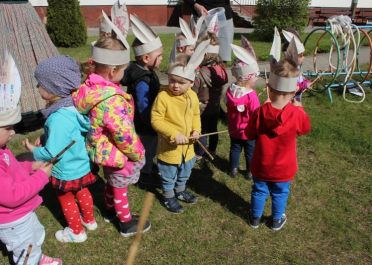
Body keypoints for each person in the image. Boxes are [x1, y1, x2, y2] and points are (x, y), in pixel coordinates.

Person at [72, 12, 150, 237]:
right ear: (113, 71)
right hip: (115, 152)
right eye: (123, 69)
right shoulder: (111, 100)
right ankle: (125, 222)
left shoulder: (89, 87)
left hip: (100, 147)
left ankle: (108, 209)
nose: (125, 73)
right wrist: (137, 152)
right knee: (119, 184)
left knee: (111, 181)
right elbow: (123, 133)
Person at [23, 55, 97, 243]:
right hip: (80, 164)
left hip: (65, 170)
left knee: (65, 198)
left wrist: (33, 150)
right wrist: (45, 137)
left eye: (40, 84)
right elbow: (68, 136)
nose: (37, 87)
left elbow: (51, 154)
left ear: (53, 87)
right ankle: (89, 220)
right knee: (82, 191)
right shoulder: (72, 107)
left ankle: (76, 232)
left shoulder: (57, 118)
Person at [0, 50, 61, 264]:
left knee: (35, 235)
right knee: (24, 248)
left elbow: (12, 170)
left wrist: (30, 166)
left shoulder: (2, 149)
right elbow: (12, 195)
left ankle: (37, 257)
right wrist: (41, 177)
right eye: (7, 128)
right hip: (13, 220)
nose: (13, 132)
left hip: (21, 215)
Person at [246, 34, 311, 231]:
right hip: (284, 167)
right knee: (280, 193)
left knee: (259, 190)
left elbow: (249, 133)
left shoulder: (260, 111)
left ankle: (255, 218)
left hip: (262, 164)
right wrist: (300, 108)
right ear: (293, 93)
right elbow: (305, 129)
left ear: (269, 89)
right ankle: (275, 220)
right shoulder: (296, 113)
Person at [151, 40, 209, 213]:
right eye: (172, 80)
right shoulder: (163, 97)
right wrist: (173, 133)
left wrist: (196, 130)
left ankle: (181, 190)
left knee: (185, 171)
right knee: (168, 174)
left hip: (189, 148)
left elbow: (196, 115)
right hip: (170, 147)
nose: (175, 85)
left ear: (191, 83)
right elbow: (156, 119)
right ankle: (169, 196)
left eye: (181, 82)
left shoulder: (192, 96)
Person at [121, 14, 163, 185]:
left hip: (144, 121)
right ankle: (144, 174)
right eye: (159, 56)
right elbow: (143, 104)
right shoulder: (142, 80)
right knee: (147, 147)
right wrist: (151, 122)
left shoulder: (142, 70)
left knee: (147, 147)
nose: (162, 59)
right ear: (146, 58)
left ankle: (145, 168)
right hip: (145, 123)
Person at [226, 36, 260, 179]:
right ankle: (250, 171)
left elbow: (228, 105)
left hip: (234, 129)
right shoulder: (251, 96)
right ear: (248, 78)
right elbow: (257, 114)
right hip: (249, 132)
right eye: (255, 77)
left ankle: (233, 168)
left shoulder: (230, 90)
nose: (257, 79)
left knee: (235, 148)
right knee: (250, 151)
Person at [193, 32, 228, 160]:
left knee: (202, 131)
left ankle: (199, 153)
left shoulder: (199, 73)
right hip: (215, 106)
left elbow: (194, 91)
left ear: (204, 54)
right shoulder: (221, 69)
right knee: (213, 129)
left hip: (201, 108)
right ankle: (212, 150)